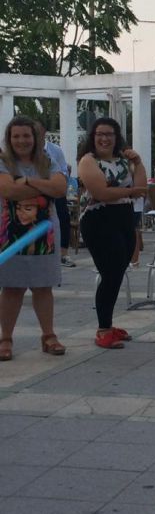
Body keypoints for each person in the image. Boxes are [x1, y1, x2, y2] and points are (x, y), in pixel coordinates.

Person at [0, 116, 67, 361]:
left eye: (26, 135)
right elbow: (7, 190)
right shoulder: (3, 161)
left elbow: (61, 189)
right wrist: (43, 187)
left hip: (45, 234)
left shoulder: (48, 160)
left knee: (43, 286)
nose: (22, 140)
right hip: (10, 234)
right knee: (11, 287)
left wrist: (26, 181)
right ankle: (5, 338)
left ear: (35, 137)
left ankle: (48, 336)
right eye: (16, 136)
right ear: (9, 138)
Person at [78, 117, 147, 349]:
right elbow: (101, 193)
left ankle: (107, 323)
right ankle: (103, 329)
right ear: (93, 137)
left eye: (109, 134)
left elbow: (141, 186)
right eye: (99, 134)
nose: (104, 138)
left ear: (116, 137)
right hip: (99, 219)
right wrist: (130, 190)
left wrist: (138, 161)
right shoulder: (88, 161)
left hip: (124, 217)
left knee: (118, 272)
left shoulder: (124, 160)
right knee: (110, 273)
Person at [41, 127, 75, 267]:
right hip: (36, 192)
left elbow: (64, 170)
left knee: (63, 218)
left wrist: (57, 182)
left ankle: (64, 253)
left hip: (55, 189)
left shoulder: (55, 150)